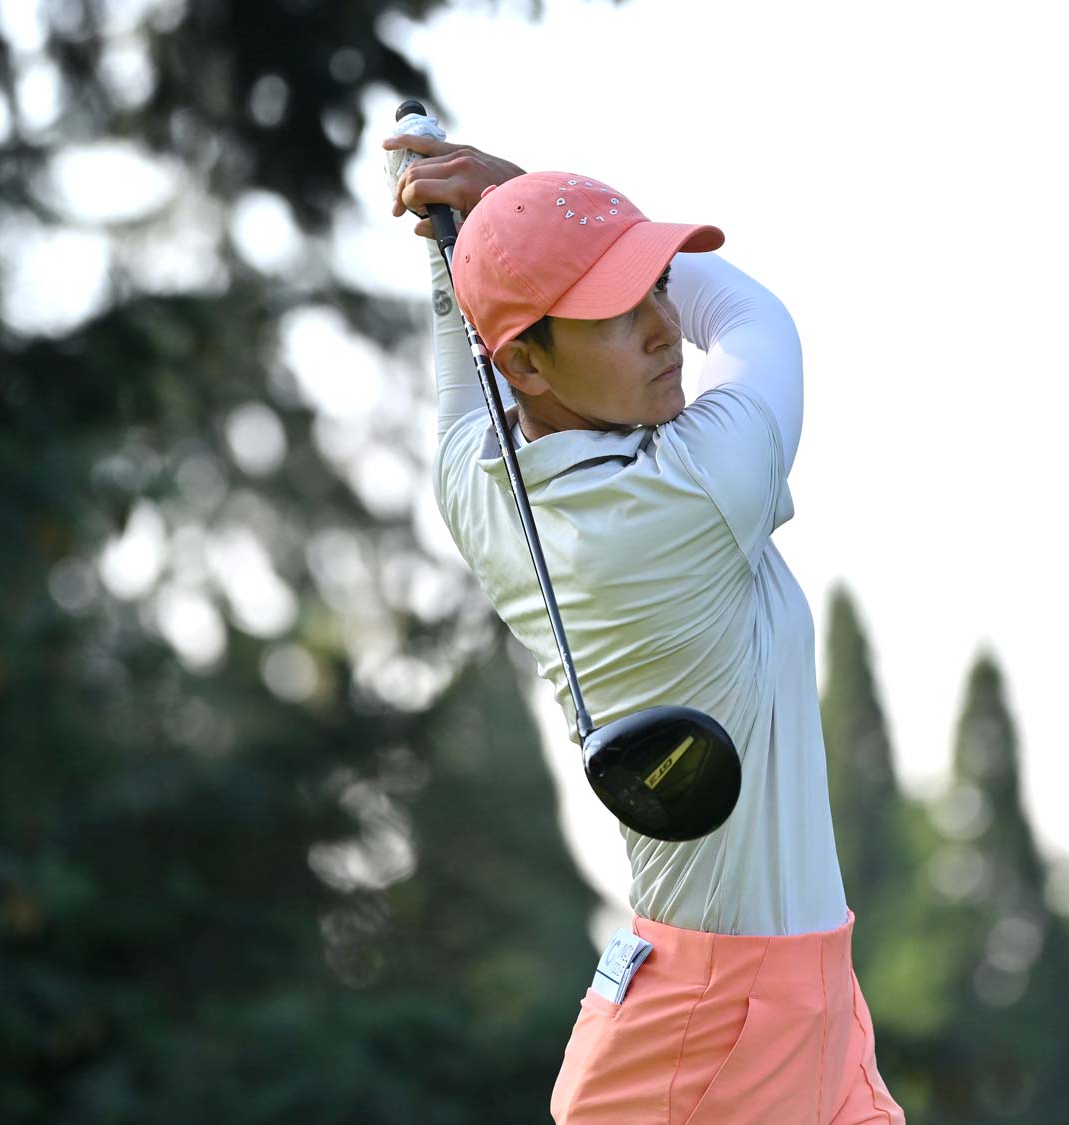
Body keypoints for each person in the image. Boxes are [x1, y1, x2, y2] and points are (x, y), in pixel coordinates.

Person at [384, 132, 905, 1125]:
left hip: (788, 994)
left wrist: (499, 226)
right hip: (712, 1034)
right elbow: (754, 318)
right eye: (618, 313)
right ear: (528, 363)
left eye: (659, 285)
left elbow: (465, 344)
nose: (666, 329)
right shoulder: (689, 492)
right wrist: (509, 198)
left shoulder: (475, 486)